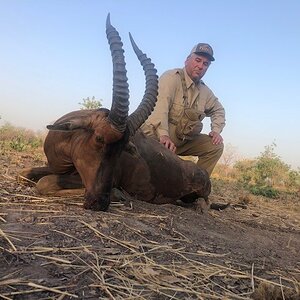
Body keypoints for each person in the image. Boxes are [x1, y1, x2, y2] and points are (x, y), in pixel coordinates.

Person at [141, 43, 225, 176]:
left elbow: (219, 110)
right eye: (198, 60)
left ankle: (196, 187)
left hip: (181, 140)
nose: (201, 66)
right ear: (187, 60)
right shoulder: (170, 78)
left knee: (215, 146)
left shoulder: (205, 91)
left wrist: (216, 131)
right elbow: (159, 109)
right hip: (157, 136)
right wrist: (163, 135)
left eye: (206, 64)